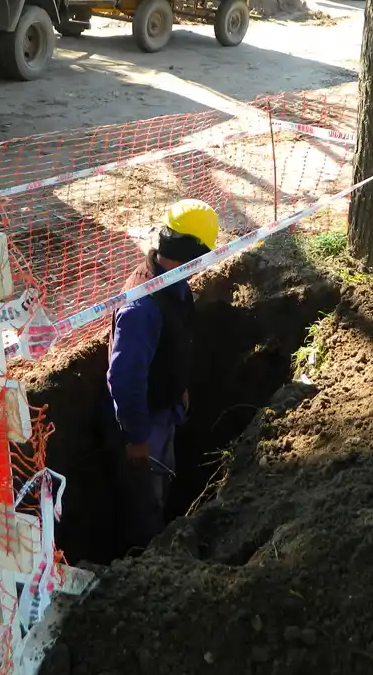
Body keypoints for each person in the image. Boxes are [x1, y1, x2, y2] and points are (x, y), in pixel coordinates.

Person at [104, 199, 219, 554]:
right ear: (193, 252)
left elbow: (176, 338)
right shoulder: (142, 307)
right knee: (145, 501)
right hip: (143, 423)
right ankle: (144, 559)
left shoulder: (175, 285)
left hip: (164, 411)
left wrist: (179, 388)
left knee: (164, 481)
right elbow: (124, 378)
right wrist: (137, 438)